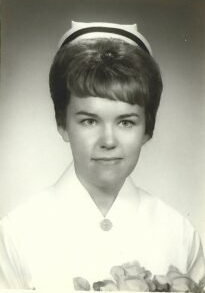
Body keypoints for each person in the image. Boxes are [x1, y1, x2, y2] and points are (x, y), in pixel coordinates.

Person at [0, 21, 204, 291]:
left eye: (126, 122)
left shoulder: (179, 234)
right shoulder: (15, 234)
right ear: (62, 124)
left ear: (147, 129)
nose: (108, 141)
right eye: (89, 121)